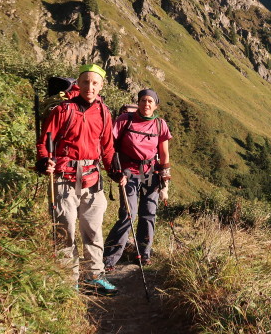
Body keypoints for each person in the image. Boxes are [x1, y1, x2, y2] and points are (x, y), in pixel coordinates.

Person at [36, 63, 119, 296]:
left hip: (92, 179)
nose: (89, 87)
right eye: (85, 82)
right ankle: (67, 280)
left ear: (101, 86)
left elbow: (107, 148)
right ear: (78, 84)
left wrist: (115, 172)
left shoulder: (104, 112)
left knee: (93, 230)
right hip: (64, 178)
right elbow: (45, 142)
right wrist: (45, 161)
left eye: (95, 83)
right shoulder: (62, 110)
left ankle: (94, 276)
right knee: (65, 229)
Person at [104, 88, 172, 270]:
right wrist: (115, 170)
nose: (146, 104)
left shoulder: (160, 124)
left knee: (149, 213)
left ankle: (143, 254)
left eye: (150, 101)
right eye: (143, 100)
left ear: (156, 105)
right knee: (128, 213)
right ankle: (109, 258)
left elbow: (164, 153)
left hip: (152, 173)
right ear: (138, 103)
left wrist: (165, 179)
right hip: (129, 173)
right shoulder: (124, 120)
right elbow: (110, 145)